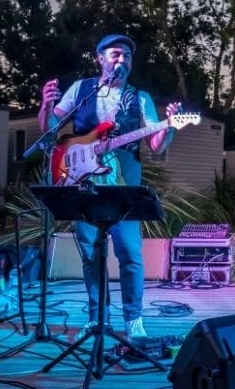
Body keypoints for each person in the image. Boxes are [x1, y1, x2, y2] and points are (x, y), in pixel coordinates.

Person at [39, 33, 181, 342]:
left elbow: (155, 146)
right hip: (83, 184)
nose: (122, 60)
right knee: (91, 255)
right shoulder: (82, 90)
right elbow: (50, 129)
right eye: (116, 54)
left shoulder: (139, 98)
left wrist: (168, 126)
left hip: (123, 189)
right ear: (100, 58)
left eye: (128, 56)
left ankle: (133, 319)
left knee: (130, 254)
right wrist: (46, 105)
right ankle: (96, 317)